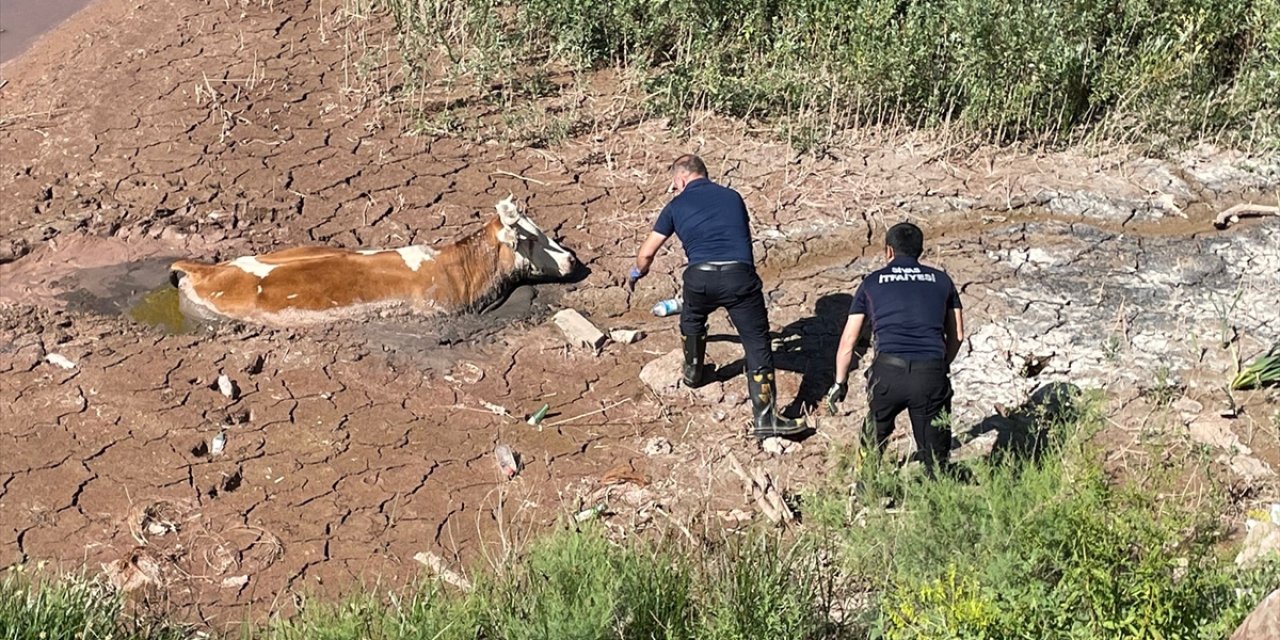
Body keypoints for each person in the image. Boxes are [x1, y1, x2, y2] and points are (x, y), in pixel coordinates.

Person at [628, 154, 807, 440]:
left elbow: (647, 252)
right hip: (739, 277)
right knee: (757, 341)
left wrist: (637, 272)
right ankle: (766, 418)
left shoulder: (675, 205)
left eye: (675, 184)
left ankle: (694, 373)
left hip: (700, 278)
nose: (675, 188)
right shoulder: (733, 197)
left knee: (692, 319)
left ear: (682, 178)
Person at [825, 222, 964, 477]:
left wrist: (839, 383)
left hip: (888, 374)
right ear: (920, 250)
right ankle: (936, 498)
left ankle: (865, 490)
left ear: (888, 251)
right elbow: (957, 335)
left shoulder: (872, 283)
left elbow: (849, 341)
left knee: (873, 436)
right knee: (935, 460)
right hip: (929, 374)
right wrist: (941, 366)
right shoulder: (943, 281)